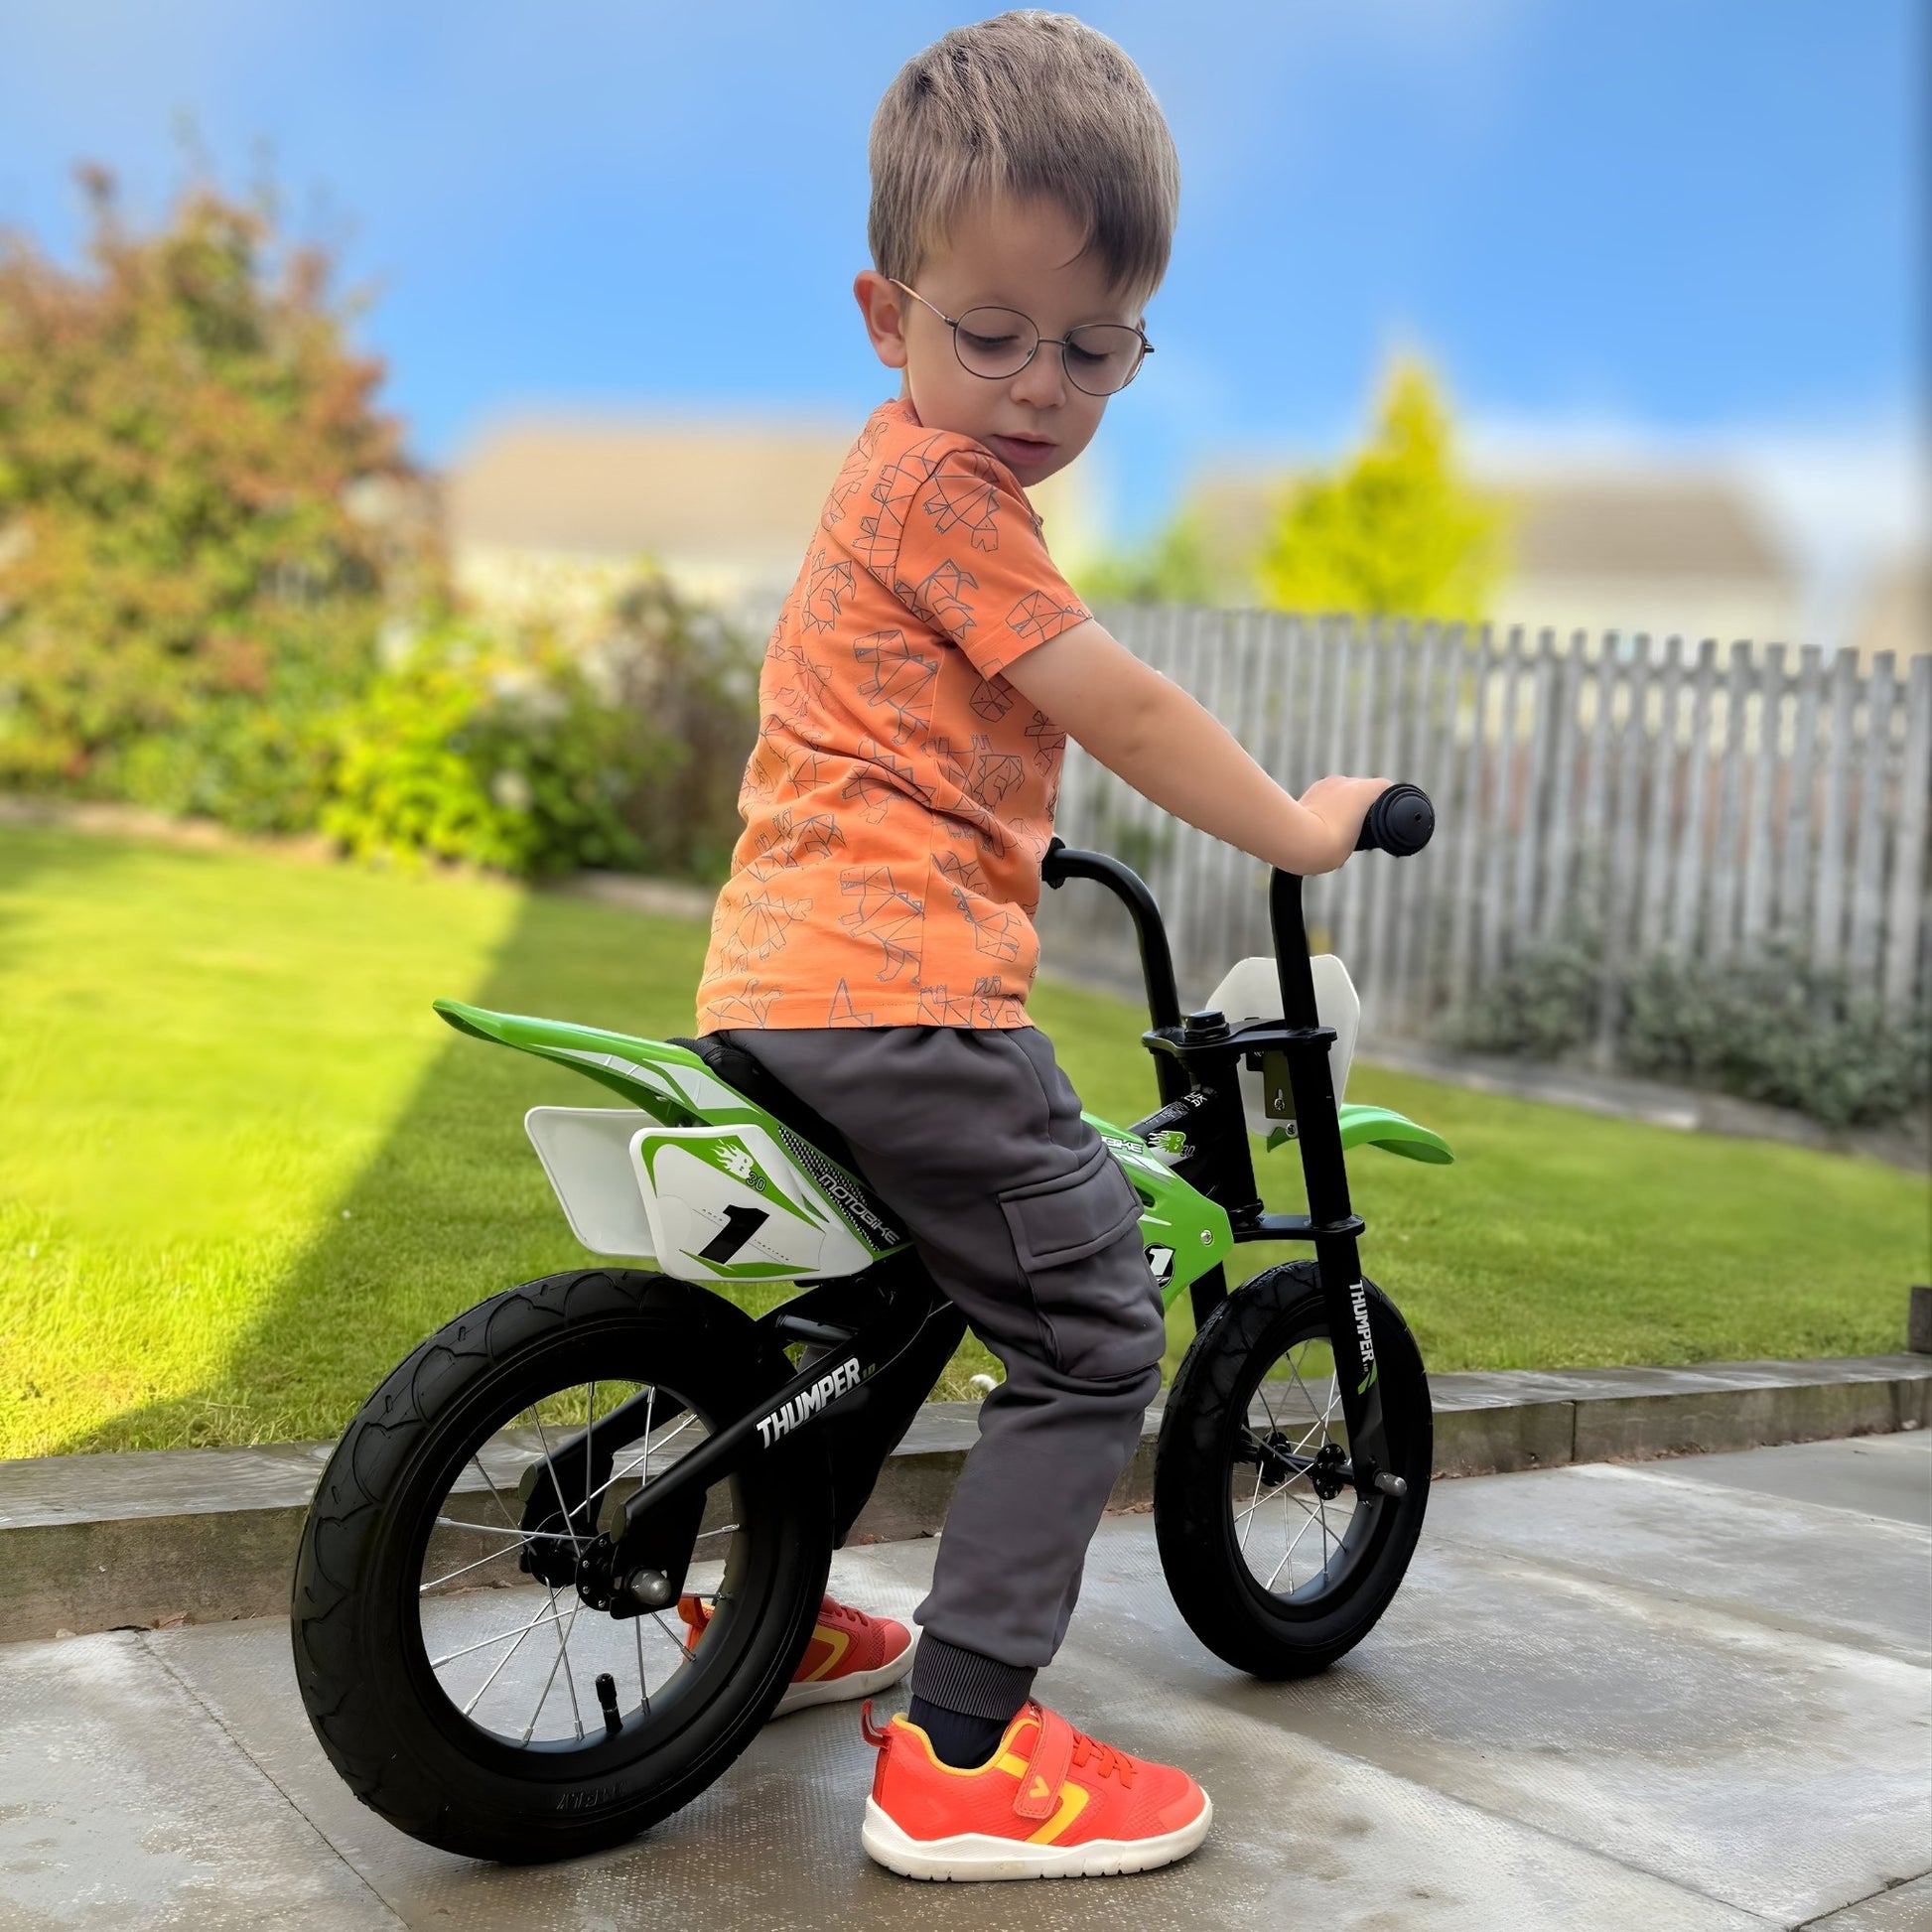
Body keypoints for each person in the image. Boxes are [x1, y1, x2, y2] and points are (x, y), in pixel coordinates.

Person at [691, 11, 1389, 1882]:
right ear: (885, 312)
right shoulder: (951, 495)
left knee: (892, 1302)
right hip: (897, 994)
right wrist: (1300, 824)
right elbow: (1124, 706)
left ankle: (760, 1609)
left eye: (1091, 347)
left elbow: (891, 724)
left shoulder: (880, 476)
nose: (1036, 388)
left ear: (1137, 336)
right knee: (1087, 1323)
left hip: (784, 978)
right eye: (990, 335)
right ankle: (963, 1751)